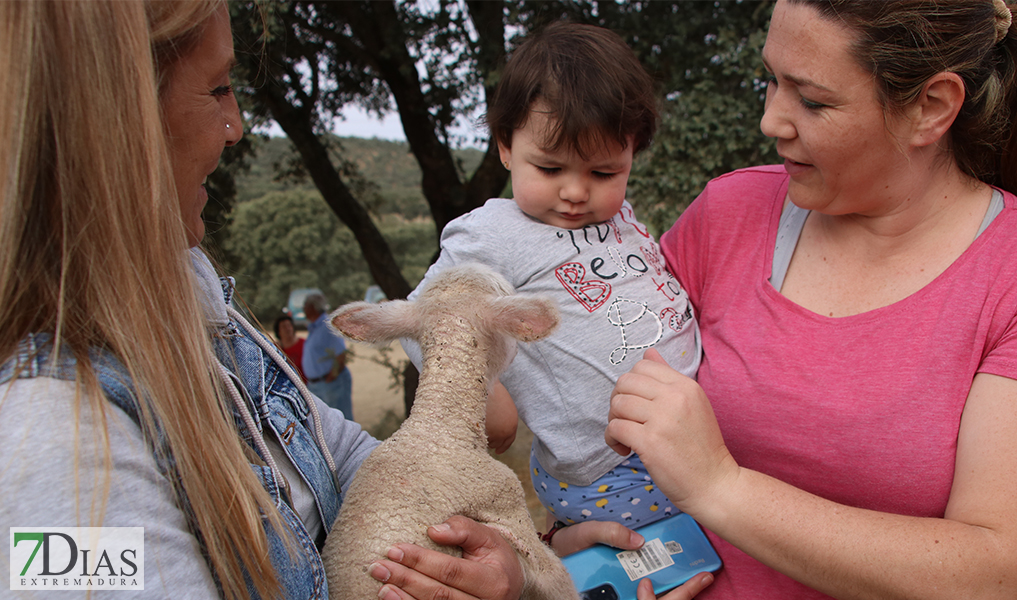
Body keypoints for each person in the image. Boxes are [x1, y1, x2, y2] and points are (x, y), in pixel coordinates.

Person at [0, 3, 593, 599]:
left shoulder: (205, 317)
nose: (235, 126)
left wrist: (499, 560)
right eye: (217, 88)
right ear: (112, 116)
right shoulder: (52, 443)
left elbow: (353, 462)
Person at [605, 1, 1017, 599]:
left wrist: (721, 488)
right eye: (771, 80)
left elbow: (999, 574)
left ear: (931, 107)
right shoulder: (726, 214)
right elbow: (600, 398)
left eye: (812, 100)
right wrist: (566, 542)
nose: (771, 121)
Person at [402, 21, 701, 532]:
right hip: (611, 469)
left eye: (603, 173)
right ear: (505, 147)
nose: (576, 192)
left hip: (684, 433)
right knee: (666, 565)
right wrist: (484, 392)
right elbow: (419, 315)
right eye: (549, 168)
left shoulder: (620, 216)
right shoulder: (493, 231)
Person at [303, 292, 355, 421]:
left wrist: (332, 376)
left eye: (305, 305)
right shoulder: (315, 327)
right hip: (317, 385)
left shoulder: (327, 325)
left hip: (330, 383)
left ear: (313, 307)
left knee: (340, 421)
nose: (303, 309)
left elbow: (340, 353)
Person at [275, 314, 306, 380]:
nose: (287, 329)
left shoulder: (305, 344)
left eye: (289, 325)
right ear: (278, 331)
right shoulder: (275, 349)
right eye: (284, 327)